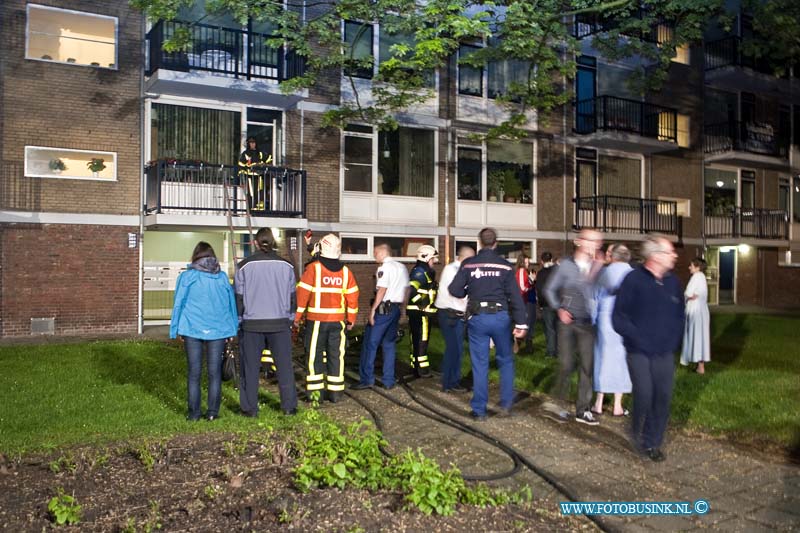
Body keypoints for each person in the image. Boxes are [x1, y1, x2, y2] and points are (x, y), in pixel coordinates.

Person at [612, 235, 684, 462]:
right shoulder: (633, 280)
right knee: (644, 393)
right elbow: (619, 317)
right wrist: (636, 337)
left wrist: (674, 339)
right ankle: (636, 430)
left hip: (664, 351)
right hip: (639, 350)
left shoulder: (673, 282)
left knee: (662, 397)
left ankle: (652, 442)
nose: (675, 256)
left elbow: (679, 315)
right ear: (655, 256)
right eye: (670, 252)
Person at [449, 228, 528, 420]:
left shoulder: (468, 264)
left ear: (480, 242)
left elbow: (455, 290)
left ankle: (479, 410)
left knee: (480, 363)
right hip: (501, 317)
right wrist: (521, 324)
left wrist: (469, 288)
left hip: (478, 317)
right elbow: (515, 297)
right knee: (506, 359)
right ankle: (507, 403)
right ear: (496, 243)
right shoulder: (505, 266)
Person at [170, 242, 238, 422]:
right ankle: (212, 413)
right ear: (213, 257)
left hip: (192, 329)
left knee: (194, 373)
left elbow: (178, 304)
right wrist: (232, 328)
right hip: (218, 330)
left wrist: (175, 330)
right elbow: (231, 304)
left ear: (195, 257)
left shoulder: (186, 277)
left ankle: (193, 415)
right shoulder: (222, 277)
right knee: (214, 373)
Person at [235, 228, 298, 416]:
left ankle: (250, 409)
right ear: (273, 243)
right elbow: (292, 297)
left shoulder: (244, 266)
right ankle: (289, 407)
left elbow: (238, 297)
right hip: (279, 323)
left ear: (255, 243)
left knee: (250, 369)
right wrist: (290, 319)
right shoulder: (287, 267)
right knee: (285, 367)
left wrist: (239, 320)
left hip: (252, 324)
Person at [543, 228, 604, 425]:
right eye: (591, 240)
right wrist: (559, 309)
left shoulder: (598, 266)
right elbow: (549, 289)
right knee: (567, 364)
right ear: (579, 242)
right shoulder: (567, 265)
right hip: (568, 323)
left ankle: (583, 409)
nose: (595, 245)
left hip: (588, 323)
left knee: (587, 366)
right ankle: (557, 404)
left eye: (598, 241)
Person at [295, 234, 360, 403]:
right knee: (336, 355)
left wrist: (297, 317)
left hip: (316, 321)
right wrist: (351, 319)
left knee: (314, 356)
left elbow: (302, 294)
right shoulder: (346, 272)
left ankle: (316, 394)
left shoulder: (314, 269)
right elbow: (352, 296)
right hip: (338, 322)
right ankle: (336, 393)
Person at [353, 243, 410, 390]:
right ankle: (388, 380)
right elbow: (406, 289)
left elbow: (382, 290)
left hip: (384, 310)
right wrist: (402, 307)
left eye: (375, 253)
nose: (374, 256)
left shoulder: (384, 268)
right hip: (395, 309)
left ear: (382, 253)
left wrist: (373, 310)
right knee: (389, 344)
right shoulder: (402, 267)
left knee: (370, 344)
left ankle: (367, 379)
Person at [591, 244, 633, 417]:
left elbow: (595, 298)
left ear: (613, 257)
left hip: (605, 319)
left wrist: (593, 320)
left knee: (602, 358)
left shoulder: (605, 273)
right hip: (626, 319)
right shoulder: (633, 275)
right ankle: (617, 405)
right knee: (622, 360)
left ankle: (598, 403)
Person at [434, 245, 475, 393]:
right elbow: (457, 293)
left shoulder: (454, 269)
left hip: (453, 314)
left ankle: (450, 380)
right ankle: (450, 382)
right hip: (450, 314)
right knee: (454, 349)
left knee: (455, 348)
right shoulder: (454, 270)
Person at [406, 245, 439, 377]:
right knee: (421, 339)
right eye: (433, 258)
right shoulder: (420, 272)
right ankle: (421, 369)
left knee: (417, 339)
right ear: (425, 257)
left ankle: (416, 366)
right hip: (421, 312)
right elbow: (412, 291)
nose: (434, 261)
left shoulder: (422, 270)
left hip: (419, 311)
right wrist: (423, 302)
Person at [680, 258, 710, 374]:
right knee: (701, 337)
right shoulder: (701, 277)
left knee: (696, 336)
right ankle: (700, 366)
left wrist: (689, 296)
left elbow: (688, 293)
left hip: (695, 311)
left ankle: (700, 367)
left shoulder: (696, 277)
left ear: (697, 267)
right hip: (701, 310)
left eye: (691, 265)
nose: (689, 267)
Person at [238, 136, 271, 211]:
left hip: (259, 176)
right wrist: (244, 172)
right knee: (251, 192)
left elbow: (269, 159)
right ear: (248, 144)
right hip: (250, 176)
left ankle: (260, 209)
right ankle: (251, 208)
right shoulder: (246, 154)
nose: (252, 144)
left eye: (254, 143)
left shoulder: (260, 153)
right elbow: (241, 164)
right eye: (251, 143)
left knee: (260, 191)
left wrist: (263, 164)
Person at [536, 251, 558, 358]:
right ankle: (559, 350)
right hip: (559, 303)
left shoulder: (540, 273)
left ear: (541, 261)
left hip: (547, 303)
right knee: (558, 327)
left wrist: (540, 304)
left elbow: (539, 290)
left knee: (549, 328)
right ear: (552, 259)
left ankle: (551, 351)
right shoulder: (558, 271)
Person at [513, 254, 533, 354]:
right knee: (522, 324)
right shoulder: (521, 271)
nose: (528, 263)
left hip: (521, 301)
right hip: (521, 301)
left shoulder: (524, 271)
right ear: (521, 262)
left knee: (522, 324)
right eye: (526, 262)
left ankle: (517, 347)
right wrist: (531, 286)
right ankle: (516, 347)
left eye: (528, 261)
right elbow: (522, 287)